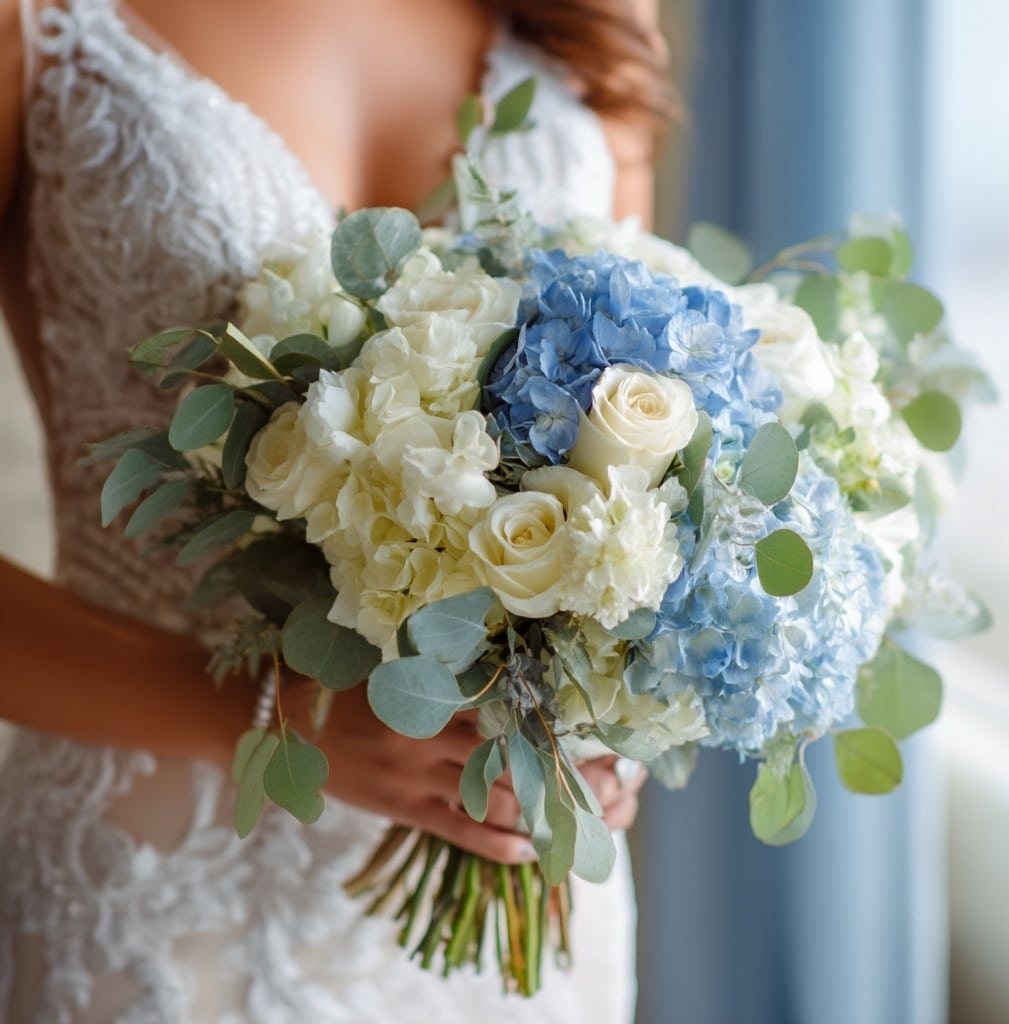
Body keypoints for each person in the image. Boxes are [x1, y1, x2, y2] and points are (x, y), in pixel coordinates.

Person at [0, 0, 670, 1019]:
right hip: (161, 896)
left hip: (509, 906)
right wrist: (269, 713)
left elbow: (634, 447)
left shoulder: (598, 19)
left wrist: (609, 712)